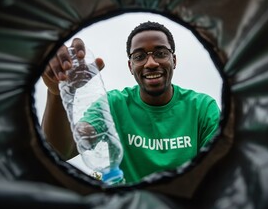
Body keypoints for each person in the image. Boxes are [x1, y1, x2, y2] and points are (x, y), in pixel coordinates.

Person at [41, 21, 220, 184]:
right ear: (130, 66)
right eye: (139, 56)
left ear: (174, 60)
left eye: (160, 53)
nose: (150, 63)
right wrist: (56, 93)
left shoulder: (202, 108)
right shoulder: (113, 104)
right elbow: (60, 151)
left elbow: (216, 173)